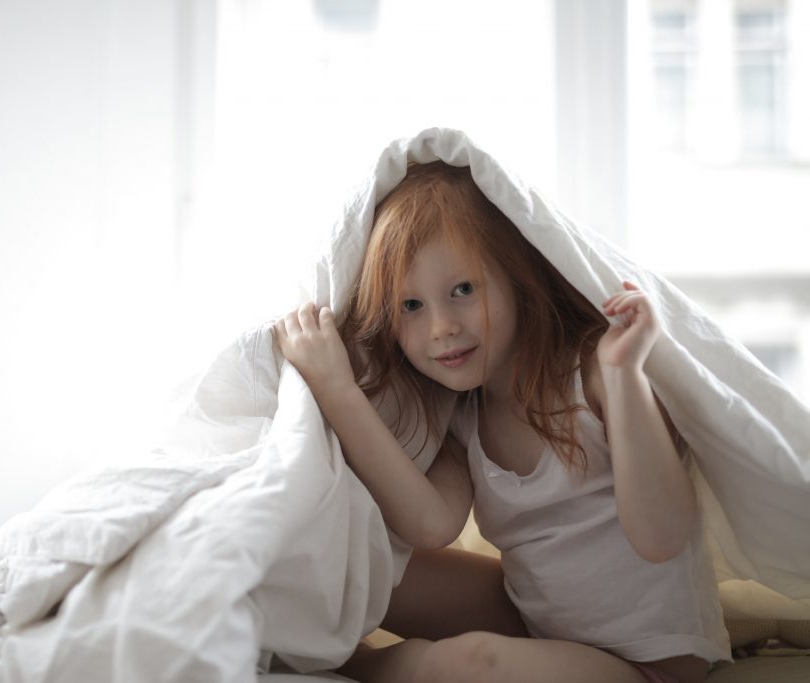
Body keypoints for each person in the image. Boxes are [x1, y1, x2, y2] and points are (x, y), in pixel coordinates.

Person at [273, 161, 729, 683]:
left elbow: (662, 537)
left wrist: (625, 373)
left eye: (463, 290)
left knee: (468, 663)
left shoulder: (596, 374)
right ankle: (292, 649)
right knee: (360, 569)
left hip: (646, 664)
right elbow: (430, 524)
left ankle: (358, 670)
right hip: (537, 623)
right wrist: (337, 389)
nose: (442, 327)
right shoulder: (461, 413)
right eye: (411, 306)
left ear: (518, 277)